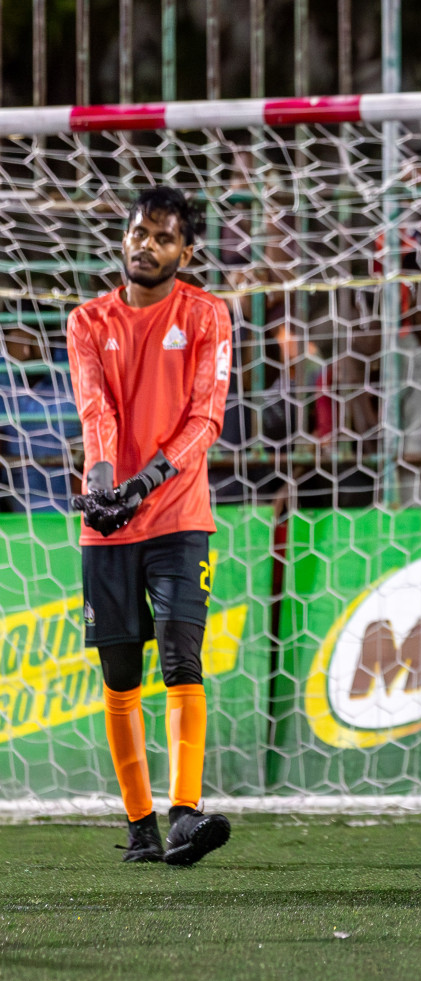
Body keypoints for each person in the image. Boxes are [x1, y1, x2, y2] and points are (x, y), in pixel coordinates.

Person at [65, 186, 234, 866]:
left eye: (164, 238)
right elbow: (94, 407)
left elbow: (206, 419)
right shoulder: (87, 320)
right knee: (119, 671)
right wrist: (105, 483)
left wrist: (146, 483)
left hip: (177, 515)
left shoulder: (206, 315)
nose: (146, 245)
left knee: (180, 657)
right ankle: (141, 828)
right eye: (139, 232)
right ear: (124, 237)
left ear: (186, 252)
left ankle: (185, 814)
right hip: (108, 517)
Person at [0, 326, 79, 512]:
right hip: (17, 505)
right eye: (19, 340)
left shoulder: (72, 369)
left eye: (33, 340)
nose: (27, 349)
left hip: (73, 505)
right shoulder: (4, 379)